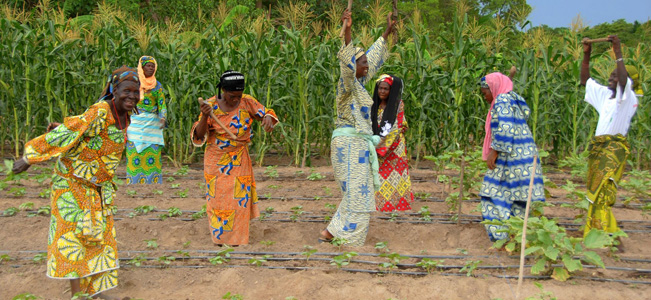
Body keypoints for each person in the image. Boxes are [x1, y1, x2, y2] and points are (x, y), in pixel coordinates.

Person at [12, 66, 139, 298]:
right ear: (114, 89)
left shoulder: (127, 116)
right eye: (126, 91)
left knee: (98, 238)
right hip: (72, 183)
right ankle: (77, 295)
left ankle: (96, 293)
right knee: (72, 237)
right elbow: (71, 130)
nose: (131, 96)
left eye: (136, 92)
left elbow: (84, 134)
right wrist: (28, 158)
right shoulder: (101, 111)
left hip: (98, 187)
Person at [318, 9, 395, 246]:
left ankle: (331, 233)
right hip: (347, 145)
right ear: (353, 65)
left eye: (364, 63)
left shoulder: (361, 83)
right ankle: (347, 240)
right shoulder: (347, 83)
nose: (366, 66)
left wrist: (387, 32)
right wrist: (348, 32)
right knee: (357, 193)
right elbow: (349, 65)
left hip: (357, 144)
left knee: (358, 191)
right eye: (361, 63)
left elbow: (371, 58)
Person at [191, 70, 278, 246]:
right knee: (218, 201)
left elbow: (266, 112)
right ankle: (220, 240)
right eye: (232, 96)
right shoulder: (210, 106)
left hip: (239, 158)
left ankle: (237, 241)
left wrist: (268, 118)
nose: (236, 100)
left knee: (239, 201)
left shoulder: (247, 102)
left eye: (238, 96)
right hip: (216, 161)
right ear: (222, 90)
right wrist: (206, 115)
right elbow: (199, 135)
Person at [580, 35, 639, 239]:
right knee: (594, 192)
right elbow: (585, 81)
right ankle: (601, 232)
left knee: (604, 193)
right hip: (599, 149)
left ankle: (606, 234)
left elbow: (623, 80)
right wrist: (587, 55)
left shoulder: (628, 98)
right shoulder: (606, 96)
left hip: (613, 150)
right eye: (611, 76)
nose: (611, 78)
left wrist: (618, 52)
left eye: (615, 76)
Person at [478, 72, 545, 241]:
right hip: (525, 158)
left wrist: (494, 150)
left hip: (512, 157)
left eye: (485, 93)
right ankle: (521, 238)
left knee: (491, 194)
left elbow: (506, 127)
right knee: (519, 197)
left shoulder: (501, 100)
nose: (484, 97)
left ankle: (500, 237)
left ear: (493, 89)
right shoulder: (513, 99)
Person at [371, 74, 414, 212]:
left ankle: (397, 205)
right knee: (379, 176)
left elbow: (396, 125)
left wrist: (380, 144)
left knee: (396, 176)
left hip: (394, 147)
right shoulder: (373, 105)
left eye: (386, 89)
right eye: (380, 88)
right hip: (377, 145)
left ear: (391, 91)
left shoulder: (397, 105)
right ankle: (380, 205)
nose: (382, 91)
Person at [125, 55, 167, 184]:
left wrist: (163, 117)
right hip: (136, 122)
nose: (151, 68)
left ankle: (152, 180)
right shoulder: (134, 84)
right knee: (135, 151)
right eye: (148, 66)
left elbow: (162, 103)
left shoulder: (157, 86)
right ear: (141, 68)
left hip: (152, 124)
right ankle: (134, 180)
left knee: (151, 152)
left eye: (153, 66)